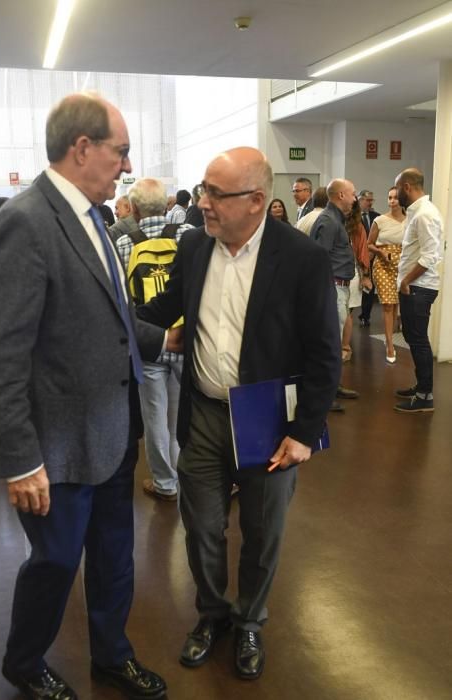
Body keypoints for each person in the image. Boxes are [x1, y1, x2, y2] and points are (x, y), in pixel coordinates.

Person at [0, 93, 176, 700]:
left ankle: (111, 655)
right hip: (57, 448)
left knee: (116, 556)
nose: (126, 164)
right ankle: (23, 660)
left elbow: (110, 317)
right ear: (83, 148)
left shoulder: (94, 217)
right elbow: (0, 354)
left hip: (114, 433)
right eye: (120, 150)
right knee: (56, 562)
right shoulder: (26, 221)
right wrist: (19, 458)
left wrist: (165, 337)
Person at [138, 146, 341, 680]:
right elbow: (157, 314)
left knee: (262, 528)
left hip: (269, 420)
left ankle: (250, 619)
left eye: (214, 194)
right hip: (203, 412)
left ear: (256, 201)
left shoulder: (300, 259)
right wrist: (107, 308)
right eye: (203, 189)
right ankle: (212, 614)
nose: (203, 202)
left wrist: (304, 432)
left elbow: (324, 354)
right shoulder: (194, 247)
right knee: (201, 525)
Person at [116, 177, 193, 501]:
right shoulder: (189, 237)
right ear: (167, 204)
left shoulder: (121, 242)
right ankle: (188, 476)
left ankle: (165, 483)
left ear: (133, 209)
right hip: (186, 336)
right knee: (183, 415)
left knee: (154, 416)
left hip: (148, 341)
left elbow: (120, 300)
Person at [393, 168, 443, 413]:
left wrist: (406, 281)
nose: (394, 195)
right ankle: (421, 386)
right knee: (413, 338)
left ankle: (425, 395)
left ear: (406, 187)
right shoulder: (418, 213)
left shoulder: (424, 214)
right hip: (415, 286)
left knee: (419, 340)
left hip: (418, 288)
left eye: (397, 189)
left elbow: (430, 256)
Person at [309, 179, 359, 411]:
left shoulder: (336, 220)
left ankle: (333, 386)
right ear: (340, 195)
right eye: (352, 194)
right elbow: (318, 260)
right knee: (329, 346)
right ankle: (325, 395)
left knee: (335, 343)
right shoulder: (329, 221)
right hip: (332, 288)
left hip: (340, 288)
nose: (355, 198)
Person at [368, 187, 406, 363]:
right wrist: (381, 253)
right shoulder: (380, 220)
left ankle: (393, 335)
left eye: (396, 198)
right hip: (383, 263)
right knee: (387, 305)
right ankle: (389, 344)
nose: (392, 201)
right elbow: (369, 244)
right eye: (390, 197)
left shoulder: (409, 221)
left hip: (403, 264)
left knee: (396, 303)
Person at [342, 199, 372, 362]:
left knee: (347, 312)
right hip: (344, 272)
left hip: (352, 272)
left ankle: (345, 346)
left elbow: (362, 252)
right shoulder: (337, 223)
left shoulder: (358, 227)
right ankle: (343, 346)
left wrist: (365, 275)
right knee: (344, 312)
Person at [357, 189, 380, 327]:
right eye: (368, 200)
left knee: (369, 288)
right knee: (355, 286)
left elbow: (380, 237)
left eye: (372, 200)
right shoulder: (352, 217)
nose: (370, 203)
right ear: (360, 200)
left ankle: (365, 315)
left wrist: (374, 251)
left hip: (371, 257)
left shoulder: (377, 217)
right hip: (356, 258)